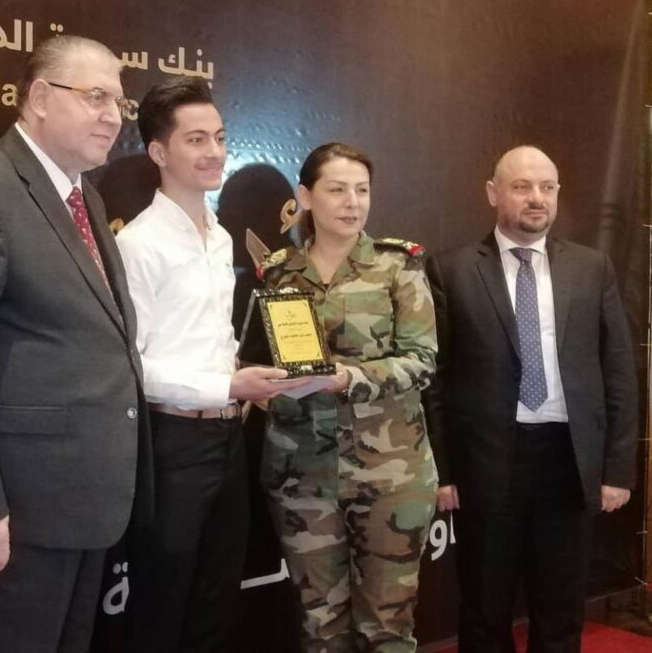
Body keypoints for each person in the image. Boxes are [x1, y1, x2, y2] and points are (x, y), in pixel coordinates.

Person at [0, 35, 153, 653]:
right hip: (9, 518)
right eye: (96, 97)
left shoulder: (83, 195)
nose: (113, 116)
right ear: (40, 98)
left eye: (119, 102)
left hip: (78, 510)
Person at [116, 76, 308, 652]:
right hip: (171, 444)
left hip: (228, 440)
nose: (215, 152)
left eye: (220, 137)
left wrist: (248, 384)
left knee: (217, 602)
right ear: (159, 152)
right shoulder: (139, 244)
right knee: (162, 604)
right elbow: (131, 366)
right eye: (196, 139)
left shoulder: (221, 238)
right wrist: (226, 384)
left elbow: (212, 336)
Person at [424, 145, 638, 653]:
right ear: (493, 193)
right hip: (487, 463)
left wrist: (617, 469)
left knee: (561, 608)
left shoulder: (591, 267)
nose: (536, 198)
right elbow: (435, 380)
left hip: (569, 460)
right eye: (521, 187)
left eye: (547, 187)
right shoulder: (451, 269)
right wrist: (442, 471)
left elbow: (618, 370)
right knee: (484, 606)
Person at [260, 142, 439, 652]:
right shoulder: (278, 272)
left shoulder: (397, 266)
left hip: (391, 473)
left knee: (387, 627)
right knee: (320, 626)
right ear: (305, 197)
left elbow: (422, 359)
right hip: (301, 474)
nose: (352, 202)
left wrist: (349, 378)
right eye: (337, 189)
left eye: (362, 190)